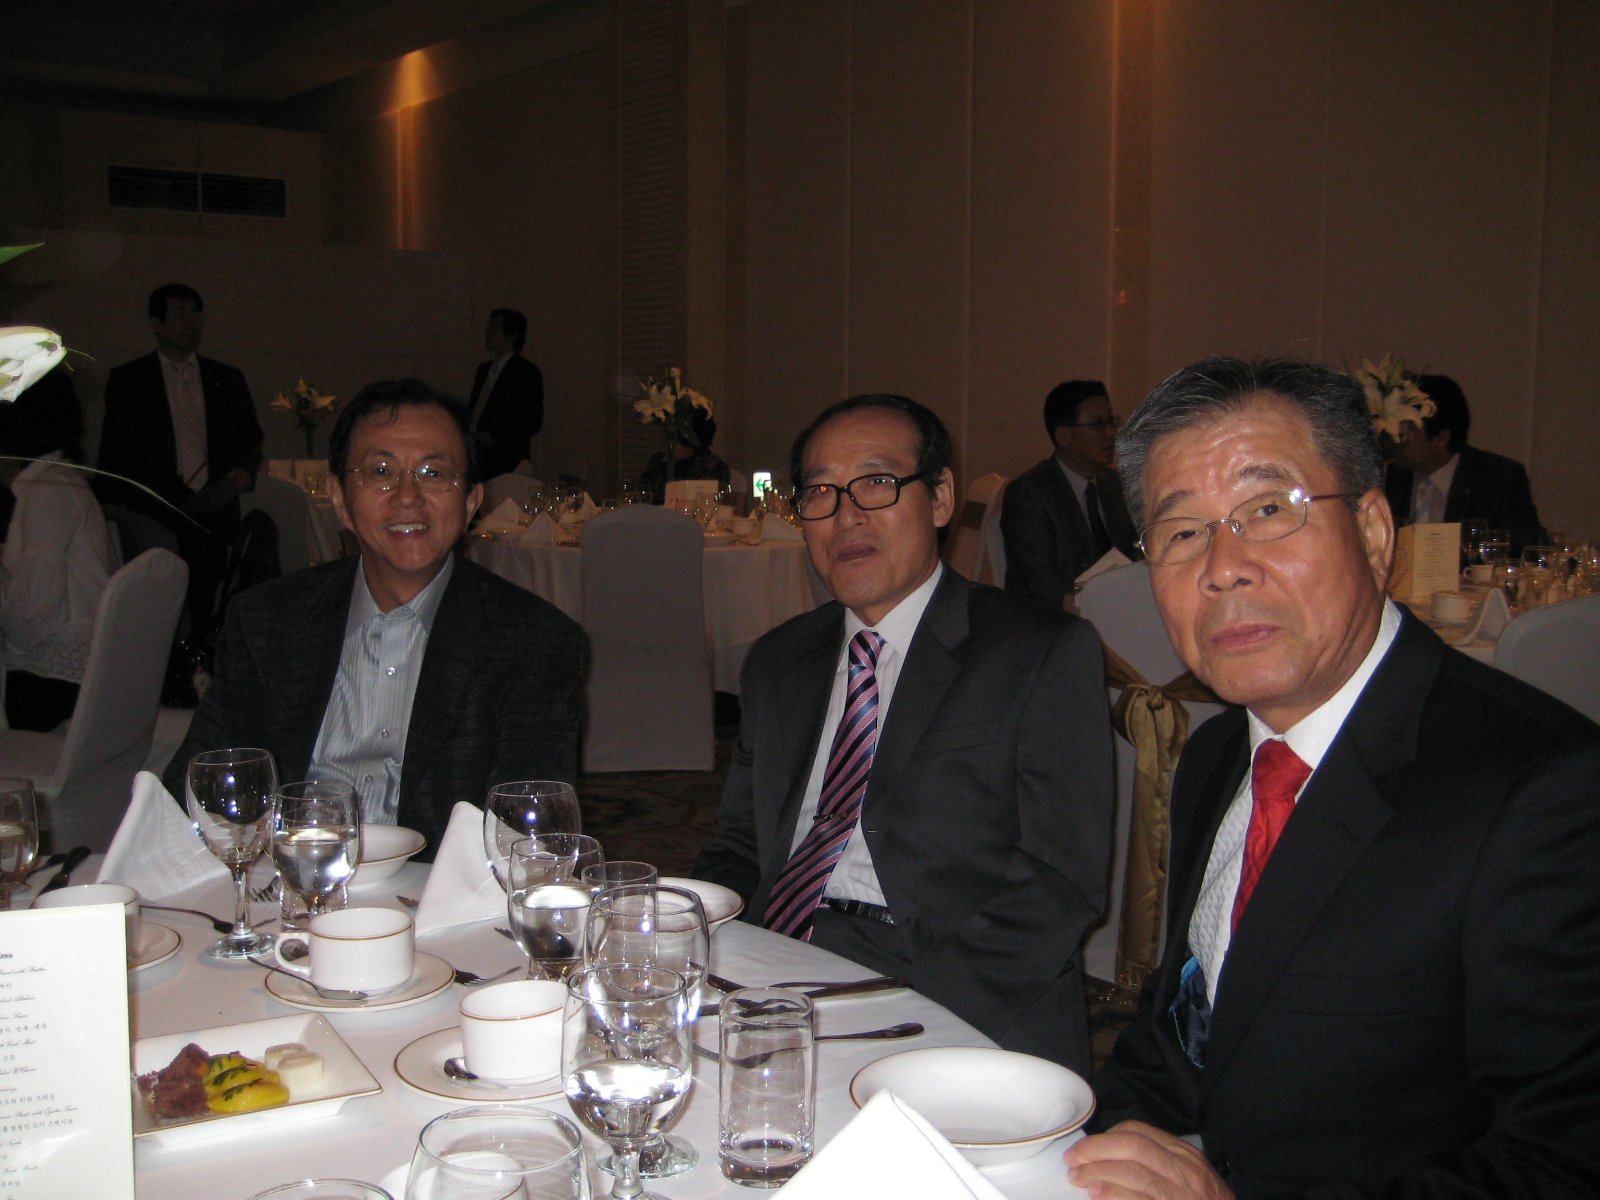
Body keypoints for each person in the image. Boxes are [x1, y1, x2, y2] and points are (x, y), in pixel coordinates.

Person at [1069, 357, 1600, 1199]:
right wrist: (1067, 1159)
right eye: (1182, 532)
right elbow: (1185, 1036)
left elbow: (1563, 1163)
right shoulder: (1217, 754)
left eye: (1268, 510)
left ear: (1376, 533)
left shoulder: (1542, 793)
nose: (1223, 567)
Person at [693, 394, 1113, 1070]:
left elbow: (1059, 882)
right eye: (821, 492)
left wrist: (912, 1011)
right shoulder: (778, 660)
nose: (847, 515)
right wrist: (696, 941)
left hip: (945, 975)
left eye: (877, 482)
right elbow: (741, 844)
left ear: (940, 498)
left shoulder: (1037, 652)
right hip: (779, 956)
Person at [164, 379, 584, 856]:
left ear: (471, 502)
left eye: (434, 473)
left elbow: (531, 831)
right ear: (339, 499)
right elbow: (196, 790)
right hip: (289, 879)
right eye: (381, 471)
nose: (408, 496)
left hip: (439, 891)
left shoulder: (535, 642)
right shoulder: (267, 621)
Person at [96, 283, 263, 634]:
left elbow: (249, 438)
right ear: (156, 323)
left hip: (214, 511)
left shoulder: (226, 379)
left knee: (205, 601)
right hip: (155, 514)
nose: (191, 324)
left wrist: (235, 480)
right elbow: (117, 452)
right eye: (180, 315)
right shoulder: (130, 380)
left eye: (196, 316)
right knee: (157, 609)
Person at [0, 365, 118, 731]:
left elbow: (35, 607)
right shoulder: (58, 479)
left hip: (59, 677)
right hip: (77, 670)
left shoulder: (47, 488)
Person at [1001, 379, 1140, 608]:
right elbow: (1039, 582)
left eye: (1111, 422)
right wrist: (1090, 606)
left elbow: (1134, 552)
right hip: (1055, 616)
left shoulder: (1115, 484)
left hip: (1116, 605)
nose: (1110, 433)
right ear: (1064, 436)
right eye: (1097, 425)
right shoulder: (1029, 493)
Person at [1383, 372, 1544, 553]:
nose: (1395, 436)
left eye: (1407, 430)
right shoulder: (1390, 476)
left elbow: (1527, 551)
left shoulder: (1499, 479)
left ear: (1441, 438)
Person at [467, 308, 544, 479]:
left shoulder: (526, 372)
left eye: (494, 328)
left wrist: (494, 437)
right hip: (479, 457)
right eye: (488, 328)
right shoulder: (484, 370)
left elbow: (532, 421)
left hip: (507, 460)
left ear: (512, 335)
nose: (488, 333)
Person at [638, 409, 732, 504]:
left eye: (670, 437)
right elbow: (643, 497)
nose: (662, 441)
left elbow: (710, 504)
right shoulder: (656, 461)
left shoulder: (712, 466)